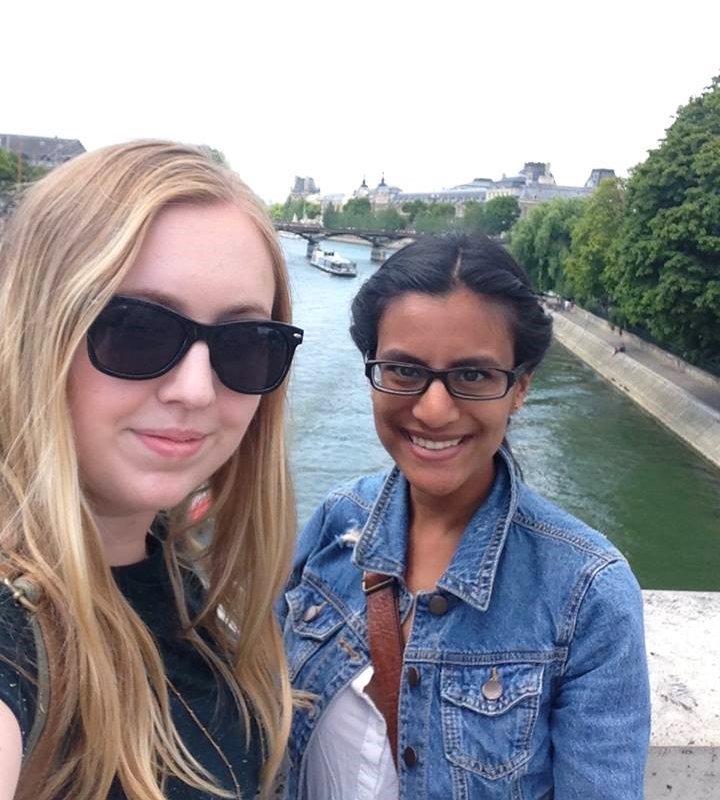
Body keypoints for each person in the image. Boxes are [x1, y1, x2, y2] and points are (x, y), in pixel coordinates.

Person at [279, 234, 650, 799]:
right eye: (403, 370)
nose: (432, 409)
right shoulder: (336, 521)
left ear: (519, 388)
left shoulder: (587, 593)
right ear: (372, 373)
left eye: (472, 376)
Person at [0, 141, 303, 799]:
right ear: (35, 332)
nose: (195, 390)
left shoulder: (178, 571)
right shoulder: (12, 632)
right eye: (135, 329)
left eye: (245, 344)